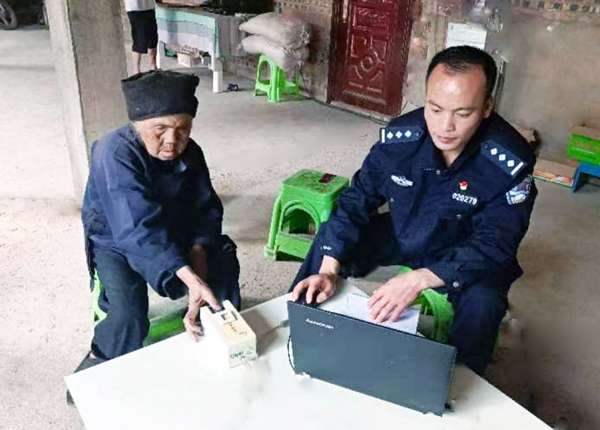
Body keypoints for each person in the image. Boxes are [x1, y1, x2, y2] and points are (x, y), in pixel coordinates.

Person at [290, 46, 537, 376]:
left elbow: (496, 244)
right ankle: (303, 325)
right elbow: (357, 200)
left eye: (463, 114)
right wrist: (329, 267)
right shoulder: (401, 139)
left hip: (467, 250)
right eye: (435, 109)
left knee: (485, 303)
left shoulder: (507, 162)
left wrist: (419, 280)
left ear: (486, 108)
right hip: (406, 229)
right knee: (329, 243)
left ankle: (459, 383)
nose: (445, 126)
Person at [73, 70, 240, 376]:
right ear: (137, 126)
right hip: (117, 240)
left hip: (170, 229)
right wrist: (189, 277)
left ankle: (220, 335)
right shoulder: (113, 152)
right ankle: (100, 360)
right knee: (128, 314)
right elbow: (135, 229)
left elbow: (205, 209)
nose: (172, 140)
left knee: (223, 265)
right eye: (159, 128)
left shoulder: (192, 152)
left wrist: (199, 255)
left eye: (183, 128)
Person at [125, 0, 158, 75]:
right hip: (135, 8)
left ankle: (153, 68)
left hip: (149, 7)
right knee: (139, 41)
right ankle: (136, 72)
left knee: (152, 40)